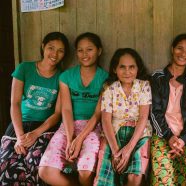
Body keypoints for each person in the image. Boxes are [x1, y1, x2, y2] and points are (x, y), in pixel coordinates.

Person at [38, 32, 109, 185]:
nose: (84, 54)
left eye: (89, 49)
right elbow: (67, 110)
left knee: (85, 172)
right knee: (45, 172)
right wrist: (71, 139)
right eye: (80, 50)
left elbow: (98, 114)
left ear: (99, 51)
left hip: (93, 127)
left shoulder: (106, 78)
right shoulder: (66, 77)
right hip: (68, 126)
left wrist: (80, 138)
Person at [0, 32, 69, 185]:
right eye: (51, 48)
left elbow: (57, 113)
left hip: (45, 127)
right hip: (19, 126)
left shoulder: (63, 77)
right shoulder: (24, 68)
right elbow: (15, 104)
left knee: (35, 166)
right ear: (43, 46)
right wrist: (20, 137)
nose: (55, 54)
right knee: (7, 169)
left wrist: (36, 134)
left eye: (60, 50)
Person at [150, 33, 186, 185]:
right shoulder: (157, 77)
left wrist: (182, 139)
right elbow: (154, 112)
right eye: (179, 48)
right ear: (172, 49)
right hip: (162, 135)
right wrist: (169, 137)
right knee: (162, 179)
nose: (183, 54)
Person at [95, 48, 151, 186]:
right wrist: (115, 151)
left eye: (132, 67)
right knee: (105, 178)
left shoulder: (144, 86)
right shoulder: (109, 88)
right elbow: (106, 120)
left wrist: (128, 150)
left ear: (138, 68)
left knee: (134, 177)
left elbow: (144, 117)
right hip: (113, 135)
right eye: (122, 67)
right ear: (115, 69)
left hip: (139, 135)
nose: (127, 71)